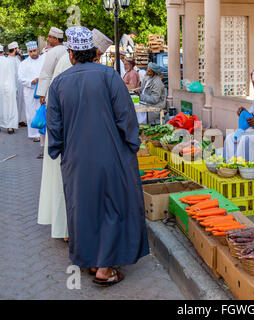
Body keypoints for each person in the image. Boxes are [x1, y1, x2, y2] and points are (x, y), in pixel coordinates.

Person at [46, 26, 149, 285]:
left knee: (84, 208)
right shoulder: (109, 76)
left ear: (71, 54)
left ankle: (92, 261)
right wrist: (132, 143)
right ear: (94, 52)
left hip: (76, 160)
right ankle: (105, 268)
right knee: (111, 207)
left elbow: (54, 127)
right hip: (111, 155)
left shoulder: (59, 83)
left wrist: (57, 149)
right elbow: (126, 116)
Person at [38, 28, 114, 242]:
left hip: (68, 135)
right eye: (97, 54)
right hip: (67, 136)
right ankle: (68, 230)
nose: (97, 59)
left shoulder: (78, 63)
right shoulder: (68, 63)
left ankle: (70, 228)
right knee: (67, 184)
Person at [36, 27, 66, 159]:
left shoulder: (52, 53)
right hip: (68, 92)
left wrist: (42, 94)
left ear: (55, 39)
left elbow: (46, 74)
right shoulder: (68, 50)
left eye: (49, 37)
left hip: (53, 92)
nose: (48, 39)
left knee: (52, 122)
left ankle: (51, 148)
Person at [18, 41, 44, 141]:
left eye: (34, 50)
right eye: (30, 51)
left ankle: (43, 133)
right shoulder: (24, 64)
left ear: (37, 50)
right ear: (28, 52)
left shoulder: (44, 60)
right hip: (30, 91)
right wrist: (32, 81)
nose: (33, 53)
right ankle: (34, 134)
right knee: (31, 113)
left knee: (42, 111)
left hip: (43, 90)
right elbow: (20, 78)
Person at [0, 44, 18, 134]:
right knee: (10, 107)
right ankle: (10, 127)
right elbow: (14, 74)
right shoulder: (8, 61)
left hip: (2, 87)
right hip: (9, 87)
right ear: (3, 52)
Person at [7, 41, 26, 127]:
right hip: (13, 85)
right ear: (14, 49)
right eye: (17, 48)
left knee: (21, 102)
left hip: (20, 84)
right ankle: (14, 121)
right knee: (14, 103)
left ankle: (21, 120)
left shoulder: (17, 58)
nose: (18, 49)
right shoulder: (8, 60)